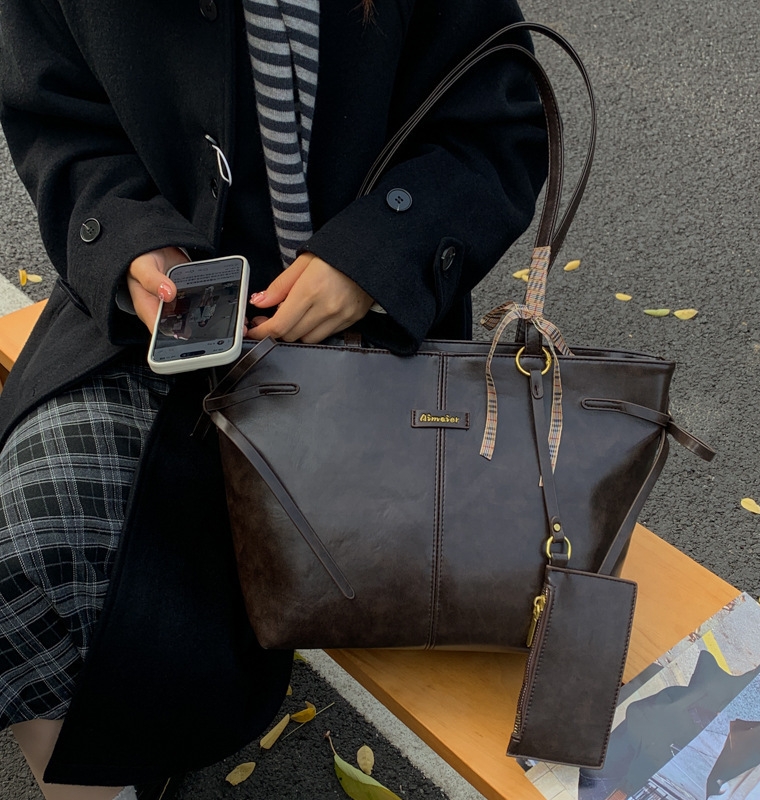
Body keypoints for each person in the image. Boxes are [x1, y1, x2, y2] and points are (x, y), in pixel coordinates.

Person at [0, 0, 547, 798]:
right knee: (23, 546)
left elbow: (500, 122)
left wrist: (375, 255)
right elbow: (58, 120)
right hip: (161, 332)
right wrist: (129, 244)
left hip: (381, 349)